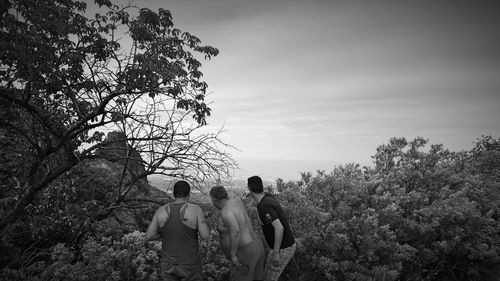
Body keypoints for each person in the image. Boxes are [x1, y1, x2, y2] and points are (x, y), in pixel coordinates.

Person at [145, 180, 210, 281]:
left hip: (167, 263)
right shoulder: (196, 210)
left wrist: (164, 234)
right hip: (189, 263)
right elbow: (205, 235)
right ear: (189, 194)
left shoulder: (160, 211)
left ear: (173, 194)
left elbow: (149, 236)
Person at [210, 185, 265, 281]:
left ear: (214, 199)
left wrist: (233, 255)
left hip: (246, 251)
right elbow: (241, 218)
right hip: (257, 245)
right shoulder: (237, 202)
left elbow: (235, 231)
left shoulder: (226, 212)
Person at [247, 176, 296, 281]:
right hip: (280, 246)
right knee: (266, 277)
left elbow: (279, 228)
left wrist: (276, 253)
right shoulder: (267, 197)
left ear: (250, 189)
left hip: (283, 247)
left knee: (270, 278)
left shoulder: (264, 206)